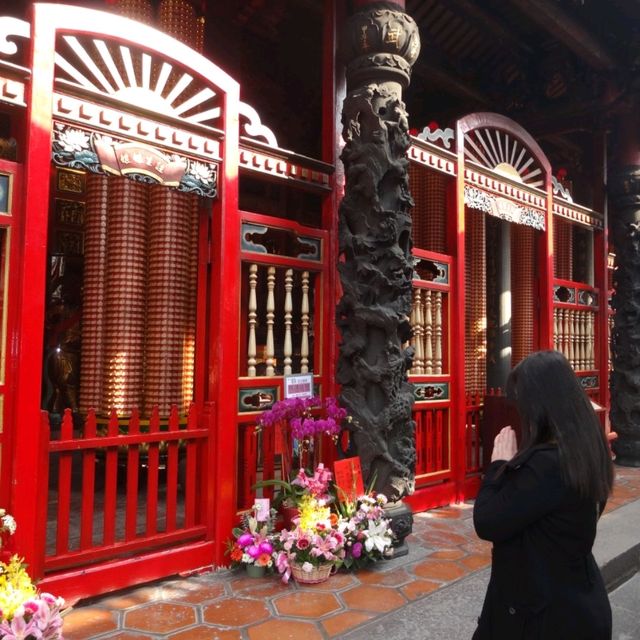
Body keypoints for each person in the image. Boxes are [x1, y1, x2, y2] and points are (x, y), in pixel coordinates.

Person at [473, 350, 614, 640]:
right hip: (578, 599)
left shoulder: (546, 465)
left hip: (540, 615)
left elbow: (487, 520)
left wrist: (498, 466)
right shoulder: (587, 449)